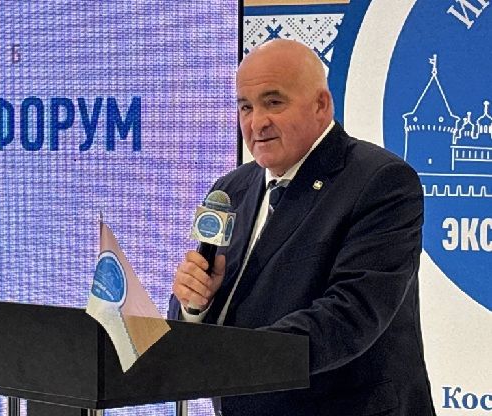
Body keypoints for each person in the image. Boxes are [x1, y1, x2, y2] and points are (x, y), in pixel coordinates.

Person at [168, 39, 436, 416]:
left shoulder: (381, 181)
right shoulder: (231, 190)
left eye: (273, 102)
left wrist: (227, 359)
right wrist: (195, 304)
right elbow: (210, 308)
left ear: (321, 105)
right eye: (245, 106)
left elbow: (350, 315)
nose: (256, 122)